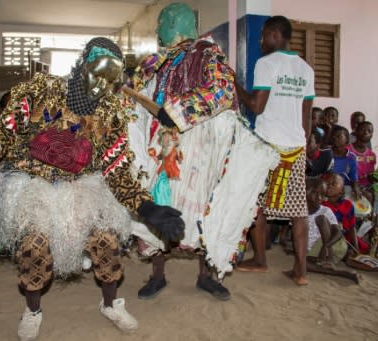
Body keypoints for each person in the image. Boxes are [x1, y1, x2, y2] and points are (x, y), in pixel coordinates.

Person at [0, 37, 184, 340]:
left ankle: (110, 304)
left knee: (107, 243)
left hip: (83, 188)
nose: (99, 86)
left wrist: (147, 209)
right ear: (83, 63)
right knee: (34, 248)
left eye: (108, 80)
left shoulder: (111, 113)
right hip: (34, 187)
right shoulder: (39, 90)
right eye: (97, 72)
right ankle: (32, 311)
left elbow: (117, 168)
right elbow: (0, 135)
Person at [124, 2, 279, 301]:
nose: (157, 30)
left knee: (204, 208)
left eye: (161, 23)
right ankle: (157, 275)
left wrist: (179, 112)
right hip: (162, 148)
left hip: (200, 151)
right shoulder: (155, 62)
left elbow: (222, 90)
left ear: (175, 23)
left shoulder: (208, 54)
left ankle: (206, 276)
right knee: (160, 204)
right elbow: (137, 97)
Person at [234, 15, 315, 286]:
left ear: (274, 35)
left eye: (263, 35)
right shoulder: (306, 69)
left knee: (256, 205)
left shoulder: (266, 64)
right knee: (298, 211)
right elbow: (307, 114)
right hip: (296, 147)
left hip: (269, 147)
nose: (260, 41)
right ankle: (301, 272)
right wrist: (304, 142)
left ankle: (259, 260)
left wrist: (236, 86)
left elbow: (256, 106)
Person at [305, 177, 359, 283]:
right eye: (315, 193)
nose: (319, 198)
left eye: (322, 195)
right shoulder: (299, 211)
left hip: (332, 244)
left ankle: (329, 259)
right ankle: (340, 273)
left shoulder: (325, 210)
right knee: (302, 263)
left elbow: (338, 232)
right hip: (314, 248)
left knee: (321, 219)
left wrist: (326, 246)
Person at [321, 173, 369, 254]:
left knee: (362, 251)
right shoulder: (321, 204)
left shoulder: (348, 205)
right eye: (327, 183)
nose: (329, 186)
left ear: (342, 190)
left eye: (333, 184)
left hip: (346, 238)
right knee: (347, 254)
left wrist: (355, 248)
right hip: (327, 238)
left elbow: (351, 228)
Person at [330, 125, 360, 198]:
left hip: (345, 187)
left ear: (347, 139)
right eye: (333, 137)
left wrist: (356, 188)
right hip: (329, 186)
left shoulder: (351, 157)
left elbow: (354, 177)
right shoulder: (327, 154)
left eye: (339, 136)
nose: (335, 139)